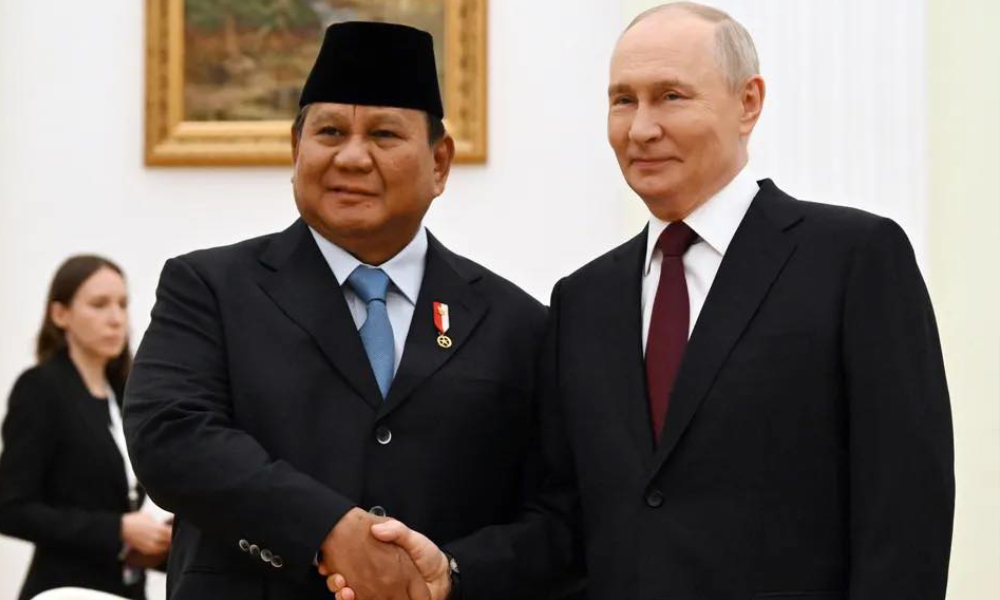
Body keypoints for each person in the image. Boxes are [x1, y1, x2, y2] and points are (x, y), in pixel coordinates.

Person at [331, 3, 955, 600]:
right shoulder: (583, 301)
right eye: (622, 100)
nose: (641, 128)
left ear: (748, 103)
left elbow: (906, 503)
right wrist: (452, 574)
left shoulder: (851, 259)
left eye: (671, 96)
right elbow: (566, 521)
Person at [123, 21, 580, 600]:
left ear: (440, 163)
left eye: (384, 135)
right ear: (296, 150)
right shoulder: (211, 289)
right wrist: (326, 529)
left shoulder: (517, 324)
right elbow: (171, 436)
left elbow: (559, 516)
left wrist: (450, 574)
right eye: (330, 132)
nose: (352, 157)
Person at [0, 255, 171, 600]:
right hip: (64, 589)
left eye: (123, 304)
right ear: (60, 314)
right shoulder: (40, 389)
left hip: (125, 589)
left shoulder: (126, 393)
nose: (116, 318)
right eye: (99, 304)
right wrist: (118, 529)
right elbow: (9, 509)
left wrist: (158, 541)